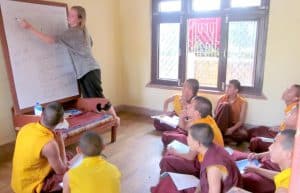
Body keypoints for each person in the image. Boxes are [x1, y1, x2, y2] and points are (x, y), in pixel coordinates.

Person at [18, 6, 120, 126]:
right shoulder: (83, 30)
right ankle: (109, 120)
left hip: (88, 71)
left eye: (72, 15)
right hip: (89, 70)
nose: (68, 17)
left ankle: (115, 118)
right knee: (92, 101)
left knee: (98, 98)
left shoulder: (73, 32)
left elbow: (50, 40)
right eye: (69, 14)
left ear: (79, 19)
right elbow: (90, 43)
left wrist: (29, 27)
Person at [151, 123, 242, 193]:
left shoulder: (213, 167)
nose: (186, 139)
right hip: (206, 186)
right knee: (168, 181)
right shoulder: (213, 148)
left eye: (189, 137)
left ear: (198, 143)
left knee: (169, 187)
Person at [11, 102, 68, 193]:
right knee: (68, 176)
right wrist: (60, 142)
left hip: (18, 184)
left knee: (67, 156)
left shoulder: (25, 128)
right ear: (61, 121)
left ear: (41, 114)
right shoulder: (50, 144)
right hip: (30, 189)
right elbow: (61, 171)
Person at [248, 84, 299, 152]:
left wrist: (279, 131)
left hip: (283, 141)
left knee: (255, 141)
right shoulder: (290, 107)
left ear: (296, 98)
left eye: (289, 91)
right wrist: (279, 127)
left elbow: (290, 134)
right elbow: (287, 126)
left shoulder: (296, 110)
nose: (286, 91)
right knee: (260, 128)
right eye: (287, 89)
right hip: (280, 133)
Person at [214, 79, 248, 144]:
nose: (227, 88)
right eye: (227, 86)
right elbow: (216, 114)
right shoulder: (222, 98)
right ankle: (223, 137)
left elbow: (241, 121)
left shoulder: (243, 102)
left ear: (236, 90)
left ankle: (221, 137)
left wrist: (231, 129)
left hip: (233, 125)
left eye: (229, 87)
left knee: (243, 135)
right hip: (221, 123)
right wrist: (224, 107)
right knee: (225, 105)